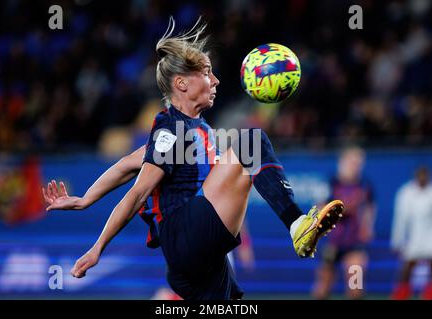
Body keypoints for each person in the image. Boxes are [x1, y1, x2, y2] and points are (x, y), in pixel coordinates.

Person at [42, 17, 344, 300]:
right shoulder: (173, 130)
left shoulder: (192, 132)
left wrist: (84, 200)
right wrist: (98, 248)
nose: (216, 81)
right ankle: (297, 225)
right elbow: (137, 193)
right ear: (182, 84)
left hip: (201, 261)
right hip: (184, 236)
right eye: (206, 72)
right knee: (252, 141)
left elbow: (125, 166)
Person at [311, 146, 376, 299]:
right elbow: (320, 211)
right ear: (343, 162)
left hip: (355, 244)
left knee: (356, 288)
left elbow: (369, 207)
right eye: (353, 162)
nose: (357, 166)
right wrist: (346, 207)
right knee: (323, 289)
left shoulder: (365, 185)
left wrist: (368, 226)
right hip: (331, 242)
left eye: (360, 163)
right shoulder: (329, 183)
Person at [390, 165, 432, 300]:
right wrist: (397, 240)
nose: (422, 179)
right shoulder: (405, 192)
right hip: (411, 238)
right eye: (420, 176)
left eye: (425, 176)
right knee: (407, 269)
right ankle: (401, 295)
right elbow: (400, 219)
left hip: (429, 237)